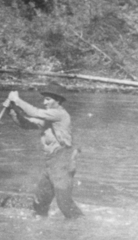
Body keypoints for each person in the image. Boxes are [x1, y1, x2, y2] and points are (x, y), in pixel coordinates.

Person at [5, 82, 83, 219]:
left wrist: (17, 100)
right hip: (51, 162)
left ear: (57, 101)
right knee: (40, 202)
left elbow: (34, 112)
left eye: (48, 99)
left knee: (64, 203)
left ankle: (80, 225)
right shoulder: (49, 119)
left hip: (63, 162)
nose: (44, 102)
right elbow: (26, 124)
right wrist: (12, 110)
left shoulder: (59, 114)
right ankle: (42, 228)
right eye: (44, 99)